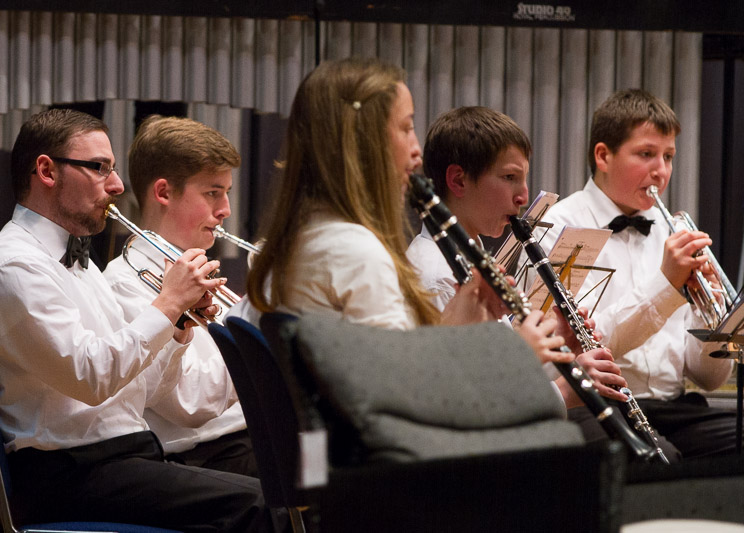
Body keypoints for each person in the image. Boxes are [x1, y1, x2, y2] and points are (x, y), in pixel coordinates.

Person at [0, 108, 283, 531]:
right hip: (66, 473)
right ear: (47, 171)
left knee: (283, 494)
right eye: (99, 168)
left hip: (121, 458)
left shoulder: (81, 265)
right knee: (263, 506)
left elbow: (140, 389)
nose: (117, 185)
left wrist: (180, 326)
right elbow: (91, 379)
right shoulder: (12, 266)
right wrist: (166, 304)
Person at [244, 56, 575, 381]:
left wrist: (458, 321)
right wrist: (518, 360)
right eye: (405, 128)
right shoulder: (354, 254)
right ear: (362, 142)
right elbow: (412, 402)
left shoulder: (309, 239)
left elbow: (397, 374)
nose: (417, 150)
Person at [535, 88, 736, 459]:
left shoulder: (668, 227)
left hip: (674, 407)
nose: (661, 170)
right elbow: (586, 343)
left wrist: (712, 316)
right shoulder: (559, 227)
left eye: (669, 156)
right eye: (646, 154)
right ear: (603, 155)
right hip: (596, 405)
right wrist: (666, 283)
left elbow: (706, 377)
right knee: (661, 460)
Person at [406, 105, 628, 409]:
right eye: (509, 177)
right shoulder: (439, 277)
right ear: (458, 180)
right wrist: (566, 390)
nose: (523, 196)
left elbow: (504, 379)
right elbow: (469, 402)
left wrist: (560, 349)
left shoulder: (469, 263)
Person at [103, 115, 256, 476]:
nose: (226, 211)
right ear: (164, 193)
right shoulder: (123, 284)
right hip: (208, 457)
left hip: (251, 441)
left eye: (227, 193)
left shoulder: (204, 273)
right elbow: (191, 403)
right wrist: (263, 317)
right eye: (212, 193)